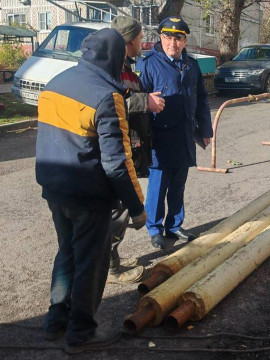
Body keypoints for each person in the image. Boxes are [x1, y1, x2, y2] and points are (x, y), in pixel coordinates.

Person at [36, 28, 146, 354]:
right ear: (114, 58)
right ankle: (81, 332)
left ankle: (55, 320)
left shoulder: (54, 84)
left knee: (66, 254)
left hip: (55, 191)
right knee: (90, 263)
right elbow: (117, 163)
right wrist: (136, 206)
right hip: (88, 197)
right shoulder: (106, 97)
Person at [140, 16, 213, 250]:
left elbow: (201, 98)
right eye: (167, 37)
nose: (173, 42)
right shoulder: (149, 63)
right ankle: (155, 229)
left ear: (184, 40)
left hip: (184, 135)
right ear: (160, 38)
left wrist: (205, 129)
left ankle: (174, 225)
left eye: (178, 38)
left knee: (178, 184)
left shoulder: (191, 64)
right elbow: (140, 102)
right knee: (158, 185)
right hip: (159, 138)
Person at [107, 16, 165, 284]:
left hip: (127, 147)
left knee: (119, 209)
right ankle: (110, 268)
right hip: (114, 153)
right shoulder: (110, 68)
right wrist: (146, 101)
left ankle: (112, 259)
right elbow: (109, 103)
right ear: (129, 41)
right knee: (115, 210)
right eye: (140, 38)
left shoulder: (125, 65)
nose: (143, 42)